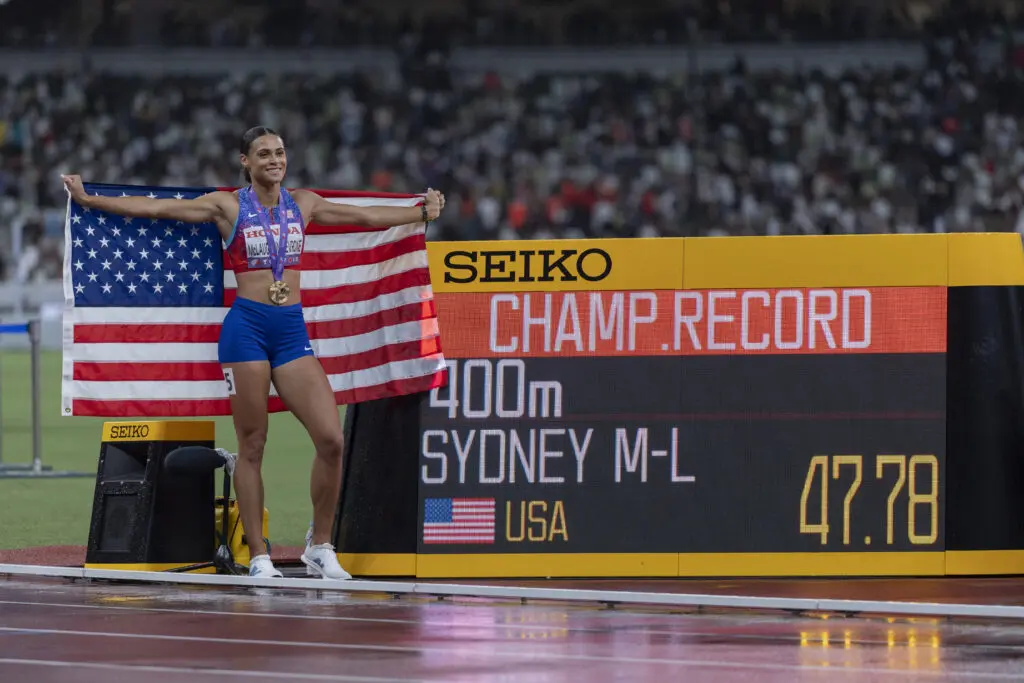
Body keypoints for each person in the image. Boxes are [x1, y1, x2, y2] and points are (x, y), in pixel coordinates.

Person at [62, 125, 446, 580]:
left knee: (331, 439)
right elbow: (157, 208)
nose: (274, 160)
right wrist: (91, 202)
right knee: (253, 444)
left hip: (291, 332)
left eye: (280, 152)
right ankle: (259, 555)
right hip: (246, 331)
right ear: (245, 161)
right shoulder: (227, 205)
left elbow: (362, 217)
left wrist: (419, 213)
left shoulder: (303, 204)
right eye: (263, 154)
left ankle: (320, 546)